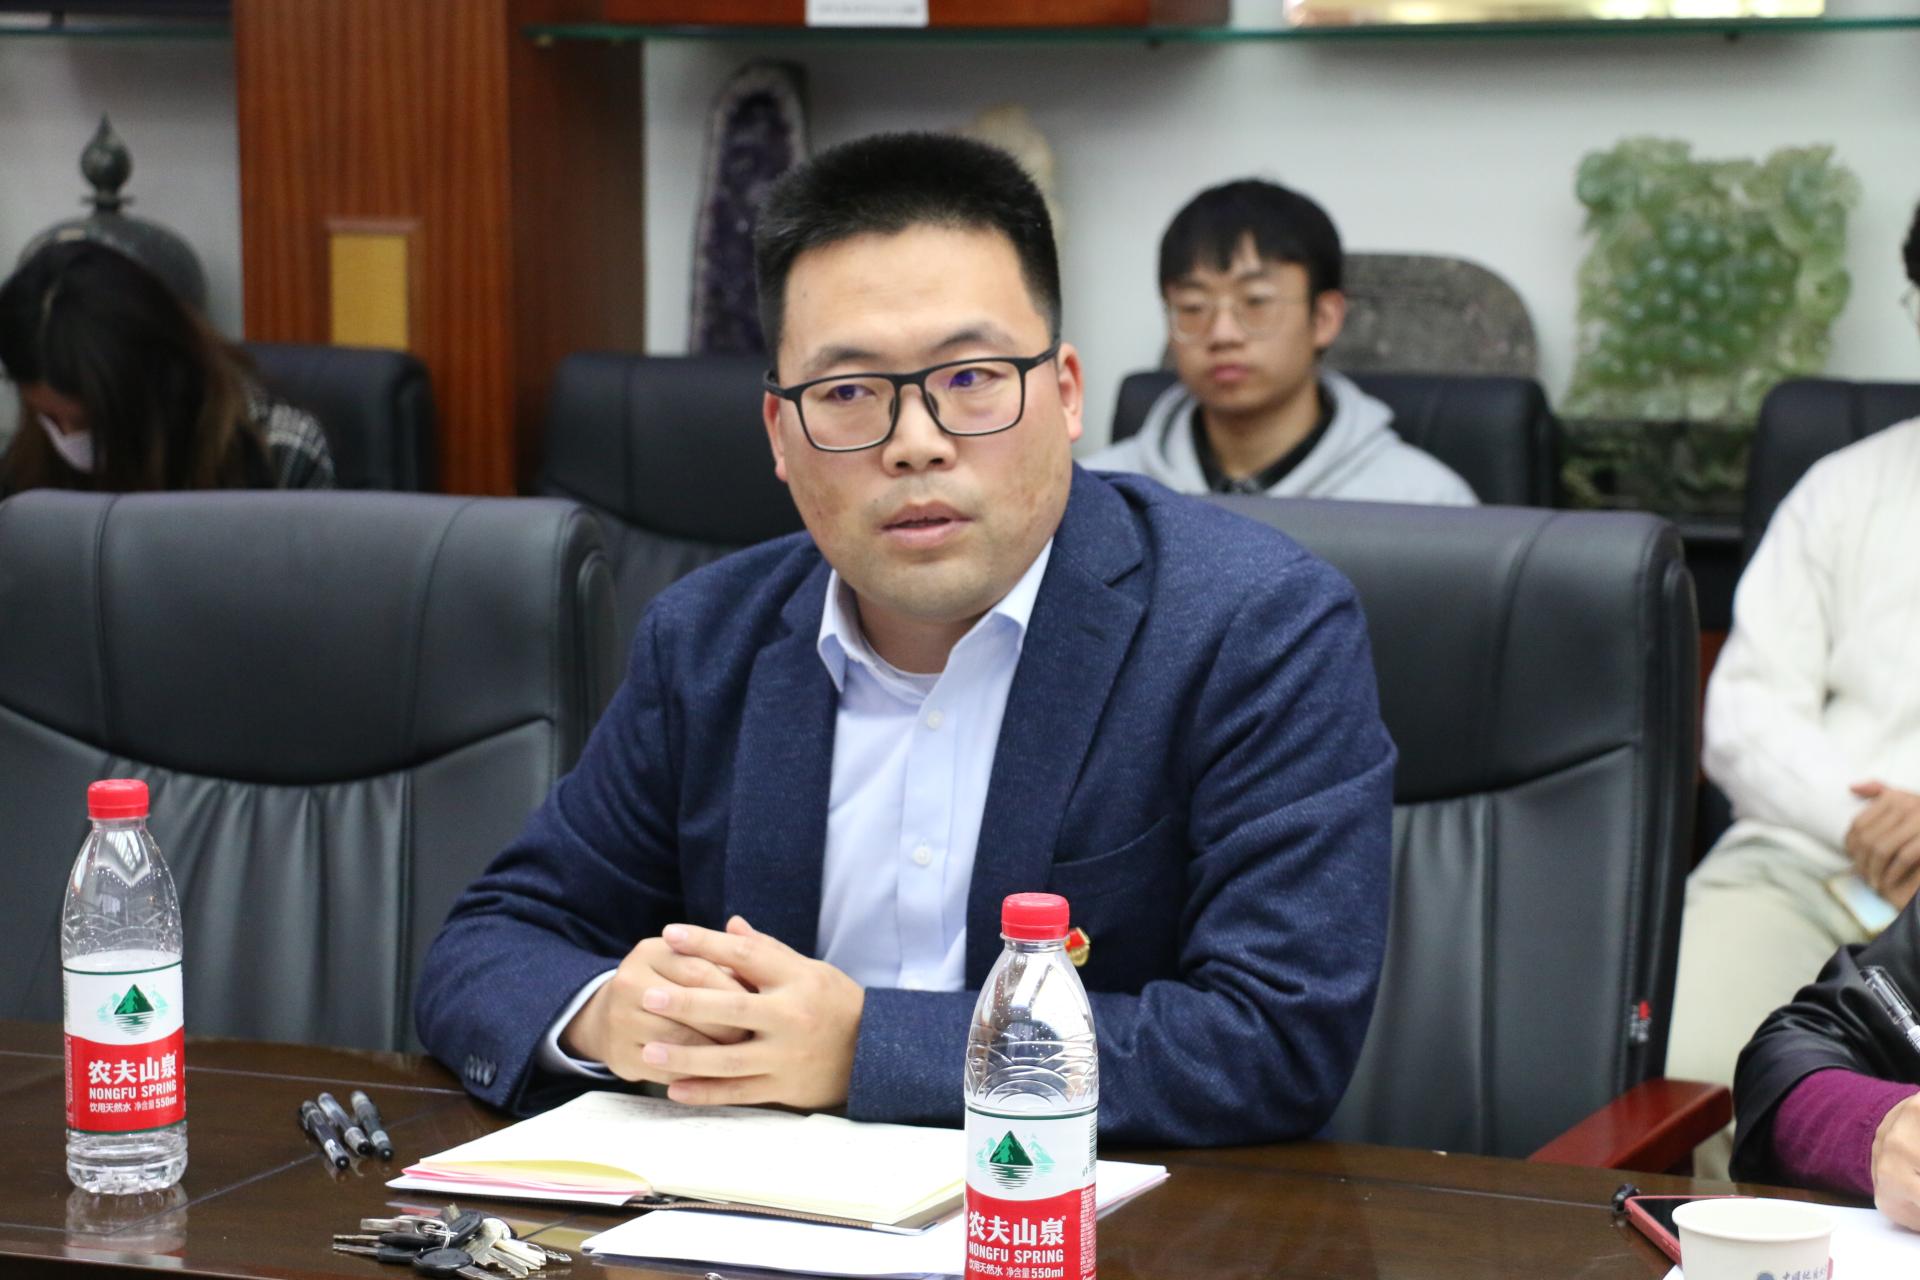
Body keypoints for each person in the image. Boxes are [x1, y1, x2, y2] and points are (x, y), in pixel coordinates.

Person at [414, 133, 1395, 1146]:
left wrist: (866, 1048)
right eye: (847, 393)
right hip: (746, 1214)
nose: (916, 442)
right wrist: (613, 1013)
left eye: (971, 377)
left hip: (1090, 1214)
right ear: (779, 434)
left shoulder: (1254, 628)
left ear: (1065, 393)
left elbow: (1275, 1037)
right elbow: (490, 945)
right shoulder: (705, 639)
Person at [1672, 199, 1920, 1179]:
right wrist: (1870, 825)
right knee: (1688, 1087)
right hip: (1804, 866)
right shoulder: (1843, 486)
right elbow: (1743, 717)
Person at [1085, 179, 1475, 506]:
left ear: (1324, 318)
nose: (1222, 334)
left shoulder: (1424, 501)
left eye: (1256, 302)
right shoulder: (1098, 494)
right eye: (1193, 307)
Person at [0, 240, 334, 496]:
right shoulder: (29, 458)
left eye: (86, 423)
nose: (66, 439)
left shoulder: (279, 454)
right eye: (48, 418)